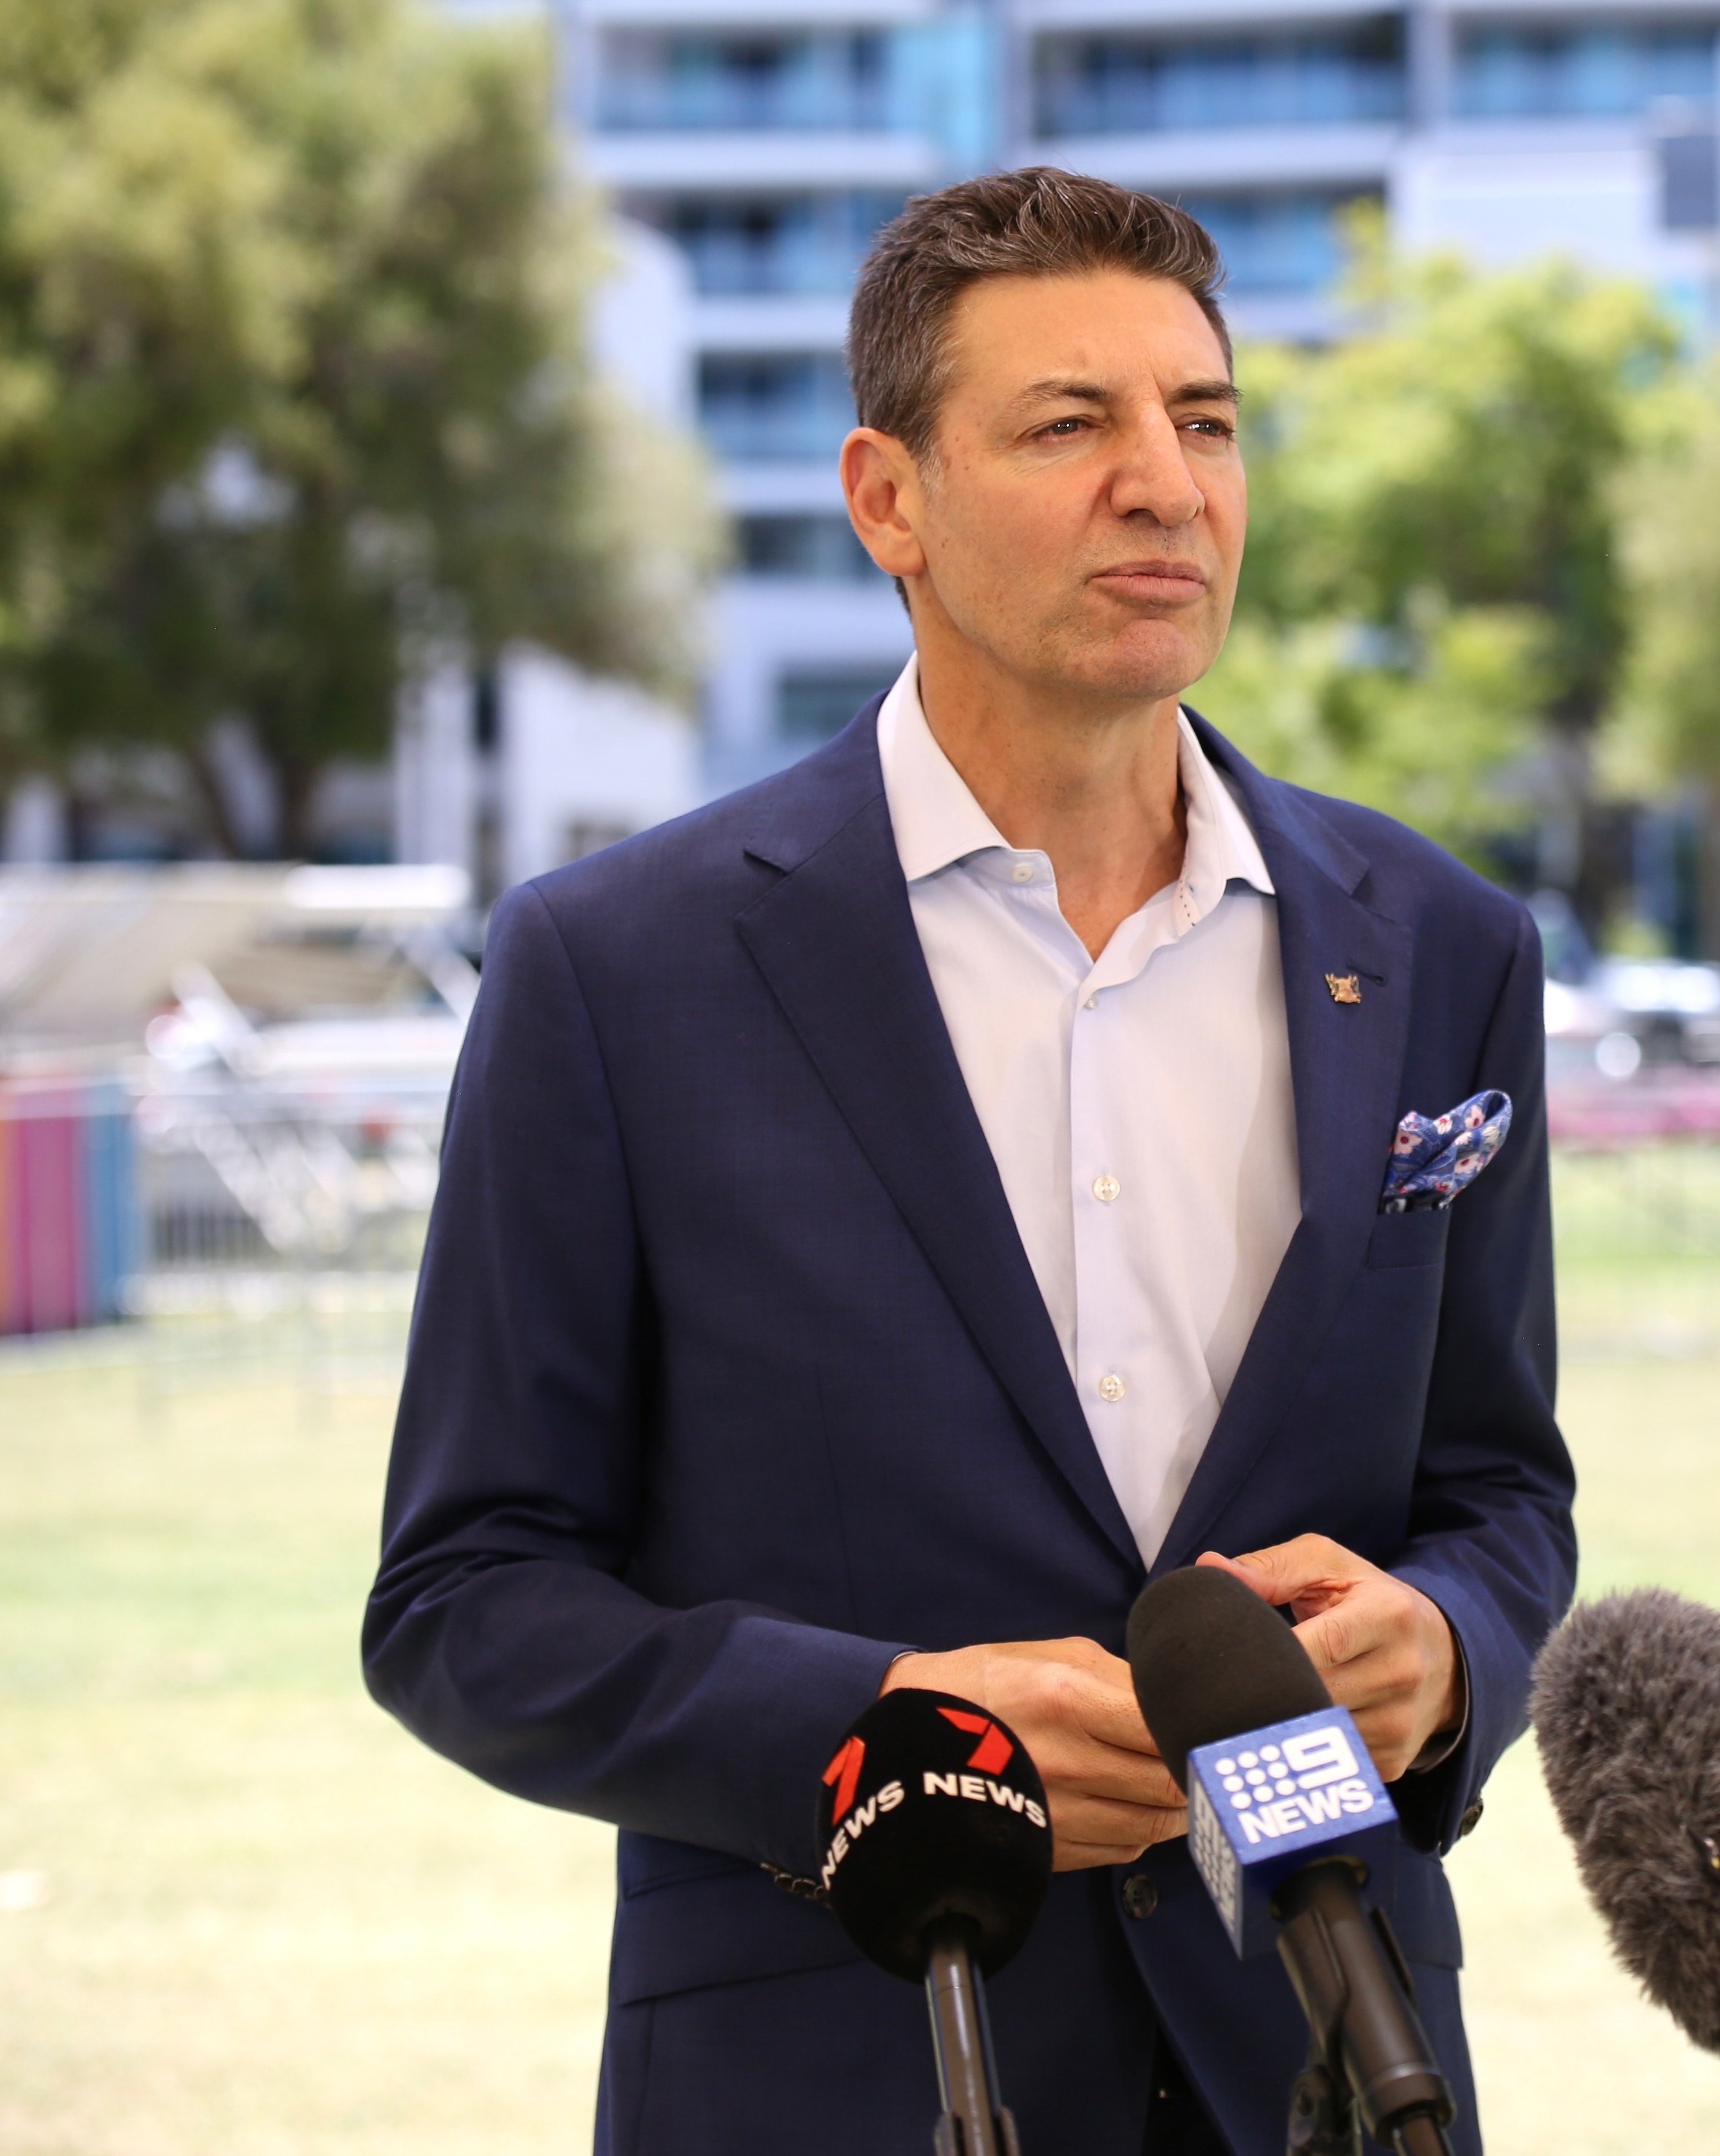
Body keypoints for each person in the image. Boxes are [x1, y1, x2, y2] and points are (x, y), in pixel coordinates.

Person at [362, 168, 1574, 2156]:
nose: (1167, 485)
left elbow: (1501, 1490)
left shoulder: (1443, 947)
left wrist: (1450, 1649)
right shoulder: (618, 967)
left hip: (1344, 2068)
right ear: (886, 499)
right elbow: (467, 1598)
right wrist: (878, 1730)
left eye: (1204, 419)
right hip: (834, 2071)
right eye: (1067, 425)